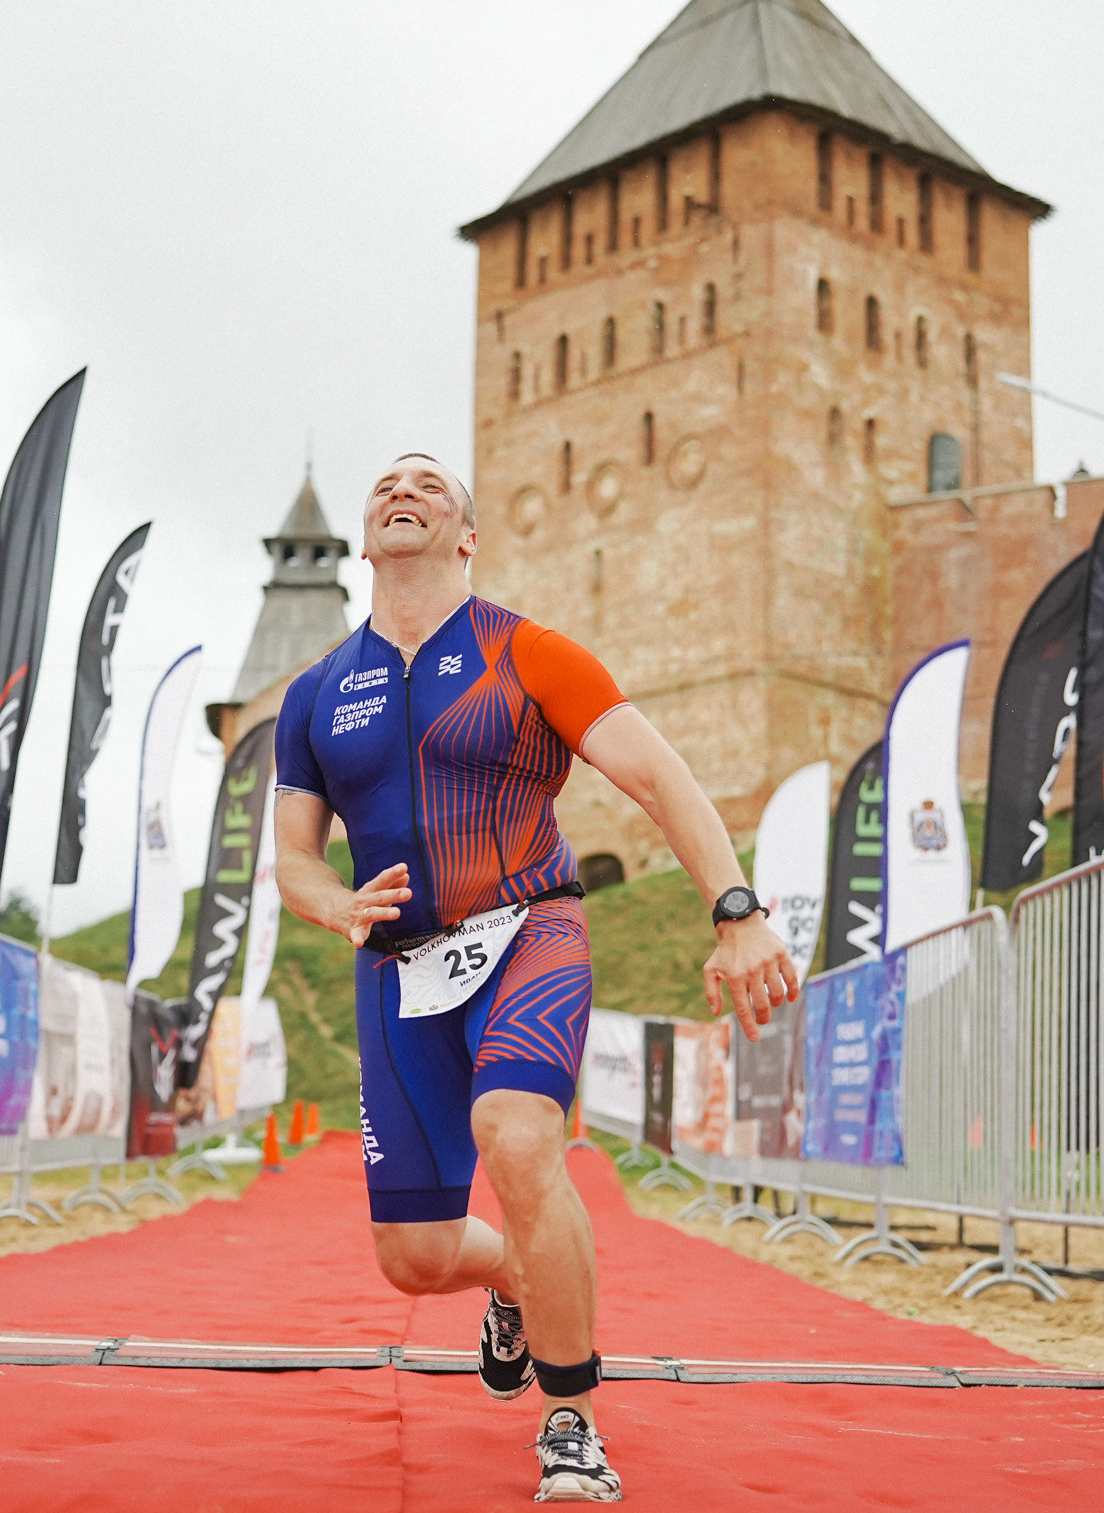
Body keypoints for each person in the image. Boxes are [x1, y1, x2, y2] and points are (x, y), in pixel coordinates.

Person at [274, 454, 799, 1503]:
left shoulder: (530, 651)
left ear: (466, 533)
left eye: (426, 483)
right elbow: (292, 854)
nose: (399, 492)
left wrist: (735, 909)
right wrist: (329, 901)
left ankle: (571, 1418)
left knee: (518, 1138)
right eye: (385, 488)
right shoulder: (317, 692)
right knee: (414, 1257)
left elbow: (656, 774)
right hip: (398, 972)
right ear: (368, 543)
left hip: (528, 934)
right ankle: (515, 1278)